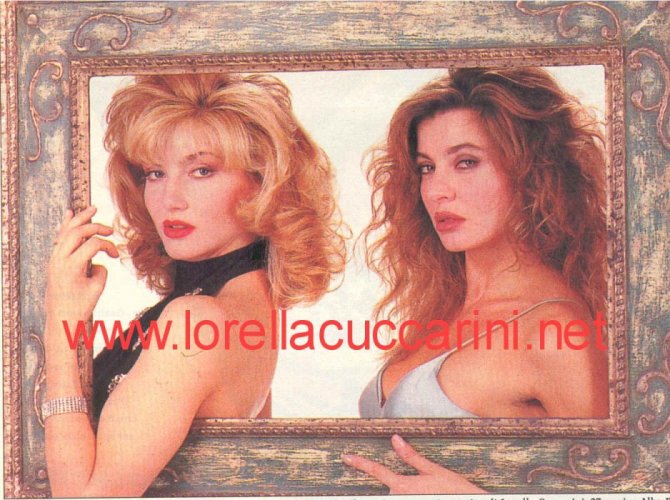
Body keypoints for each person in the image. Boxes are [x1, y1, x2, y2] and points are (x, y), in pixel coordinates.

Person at [44, 73, 346, 497]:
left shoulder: (197, 320)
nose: (171, 199)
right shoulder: (246, 306)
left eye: (202, 170)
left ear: (264, 184)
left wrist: (60, 325)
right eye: (155, 173)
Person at [343, 67, 609, 493]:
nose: (437, 191)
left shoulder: (556, 332)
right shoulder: (443, 308)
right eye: (427, 167)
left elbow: (620, 488)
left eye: (466, 162)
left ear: (532, 170)